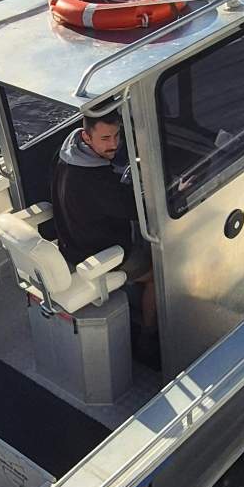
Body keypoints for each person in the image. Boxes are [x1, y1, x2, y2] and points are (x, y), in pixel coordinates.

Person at [50, 113, 156, 334]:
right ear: (87, 137)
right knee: (156, 275)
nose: (114, 144)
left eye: (117, 136)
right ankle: (150, 332)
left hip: (69, 242)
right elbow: (139, 211)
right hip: (95, 254)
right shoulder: (95, 182)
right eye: (105, 138)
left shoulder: (68, 156)